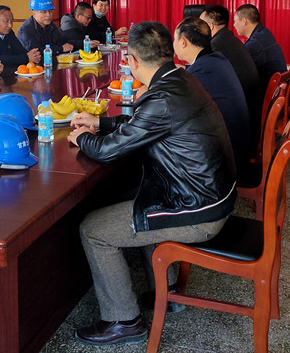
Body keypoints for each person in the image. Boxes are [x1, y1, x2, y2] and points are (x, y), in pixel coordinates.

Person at [67, 22, 236, 346]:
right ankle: (166, 293)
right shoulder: (180, 78)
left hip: (198, 212)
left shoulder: (162, 96)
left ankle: (123, 321)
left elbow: (108, 152)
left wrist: (84, 137)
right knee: (137, 197)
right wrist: (101, 122)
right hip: (211, 196)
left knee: (93, 229)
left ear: (130, 60)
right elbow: (145, 124)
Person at [173, 17, 252, 169]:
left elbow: (178, 110)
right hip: (237, 144)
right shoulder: (216, 59)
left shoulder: (202, 72)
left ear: (183, 42)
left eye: (174, 39)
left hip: (227, 158)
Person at [201, 4, 264, 142]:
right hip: (251, 109)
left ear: (210, 26)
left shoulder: (216, 45)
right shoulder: (227, 38)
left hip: (242, 121)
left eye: (200, 24)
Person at [234, 4, 287, 86]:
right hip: (278, 85)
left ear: (244, 21)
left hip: (270, 90)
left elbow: (238, 70)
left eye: (235, 20)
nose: (234, 25)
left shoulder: (255, 43)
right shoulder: (263, 32)